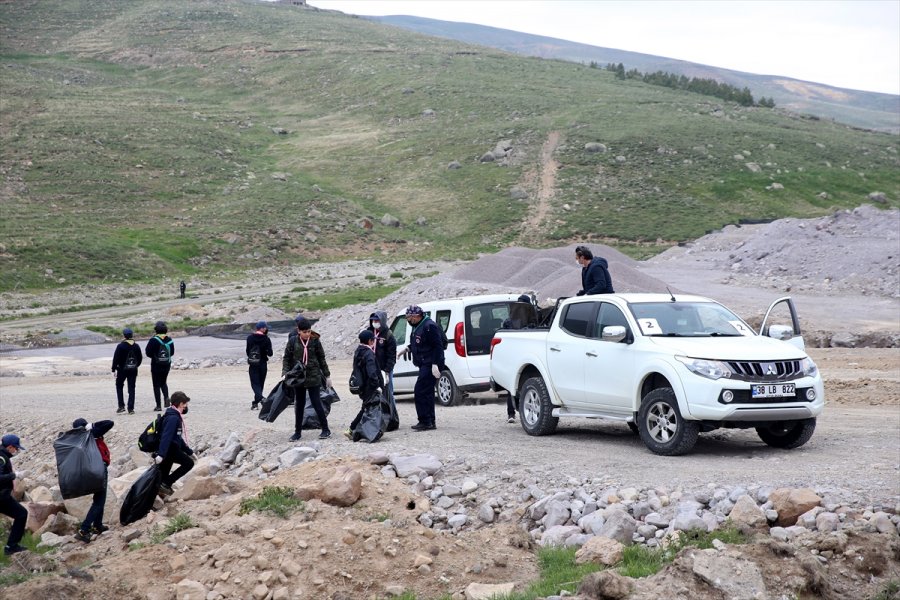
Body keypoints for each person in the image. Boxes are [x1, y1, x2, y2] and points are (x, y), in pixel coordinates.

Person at [282, 317, 332, 441]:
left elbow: (322, 358)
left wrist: (327, 375)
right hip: (298, 377)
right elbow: (287, 358)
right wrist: (285, 372)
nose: (307, 334)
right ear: (299, 331)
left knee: (316, 402)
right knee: (299, 404)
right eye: (304, 332)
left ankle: (325, 429)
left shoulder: (315, 341)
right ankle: (297, 432)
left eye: (309, 331)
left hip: (313, 376)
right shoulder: (293, 341)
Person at [403, 305, 445, 431]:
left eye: (409, 318)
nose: (409, 320)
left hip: (430, 363)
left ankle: (424, 421)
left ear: (416, 316)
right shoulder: (418, 326)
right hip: (424, 363)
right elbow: (420, 343)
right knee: (428, 393)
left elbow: (438, 345)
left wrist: (435, 364)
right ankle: (430, 421)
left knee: (420, 391)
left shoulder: (429, 326)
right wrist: (408, 348)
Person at [72, 419, 114, 543]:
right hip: (99, 469)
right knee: (99, 501)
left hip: (90, 470)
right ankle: (84, 530)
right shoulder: (91, 434)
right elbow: (109, 423)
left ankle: (97, 525)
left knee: (99, 498)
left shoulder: (77, 438)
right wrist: (93, 426)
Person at [345, 330, 385, 440]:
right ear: (370, 341)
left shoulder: (358, 351)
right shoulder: (369, 353)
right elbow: (372, 371)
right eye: (373, 340)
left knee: (366, 407)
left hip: (361, 385)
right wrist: (377, 385)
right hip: (369, 386)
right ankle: (353, 429)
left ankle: (357, 429)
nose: (374, 342)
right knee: (366, 408)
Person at [154, 391, 194, 496]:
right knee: (188, 463)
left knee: (162, 476)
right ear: (181, 404)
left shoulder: (173, 414)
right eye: (185, 403)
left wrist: (189, 451)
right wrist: (161, 455)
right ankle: (166, 484)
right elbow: (166, 437)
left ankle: (161, 491)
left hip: (169, 450)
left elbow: (177, 437)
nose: (186, 406)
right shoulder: (173, 418)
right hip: (170, 450)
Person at [0, 434, 27, 556]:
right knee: (21, 514)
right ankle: (11, 546)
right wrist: (15, 475)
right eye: (16, 448)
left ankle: (11, 546)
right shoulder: (2, 458)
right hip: (1, 497)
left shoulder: (3, 456)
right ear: (10, 447)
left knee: (21, 514)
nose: (16, 451)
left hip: (3, 496)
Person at [367, 310, 397, 410]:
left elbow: (392, 356)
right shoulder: (369, 332)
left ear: (382, 321)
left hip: (384, 369)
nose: (375, 322)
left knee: (388, 394)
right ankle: (375, 417)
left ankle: (391, 417)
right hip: (371, 369)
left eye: (377, 320)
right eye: (373, 320)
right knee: (372, 393)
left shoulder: (388, 335)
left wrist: (387, 371)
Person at [145, 321, 174, 412]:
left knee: (156, 385)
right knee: (163, 382)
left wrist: (155, 357)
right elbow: (172, 353)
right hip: (167, 364)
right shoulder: (170, 340)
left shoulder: (153, 340)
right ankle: (166, 400)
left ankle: (158, 406)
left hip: (156, 365)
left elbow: (148, 353)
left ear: (156, 330)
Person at [111, 327, 142, 414]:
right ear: (132, 335)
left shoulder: (120, 346)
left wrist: (113, 369)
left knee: (119, 385)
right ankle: (131, 408)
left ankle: (121, 406)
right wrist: (135, 366)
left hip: (122, 370)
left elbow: (116, 358)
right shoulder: (136, 346)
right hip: (133, 369)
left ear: (124, 336)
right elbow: (140, 358)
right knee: (132, 388)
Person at [247, 320, 274, 410]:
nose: (266, 329)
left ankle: (257, 401)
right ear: (262, 329)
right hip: (263, 363)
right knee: (260, 383)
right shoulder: (266, 339)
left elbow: (247, 351)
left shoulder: (250, 338)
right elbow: (270, 353)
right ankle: (259, 400)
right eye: (265, 327)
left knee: (255, 383)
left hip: (253, 363)